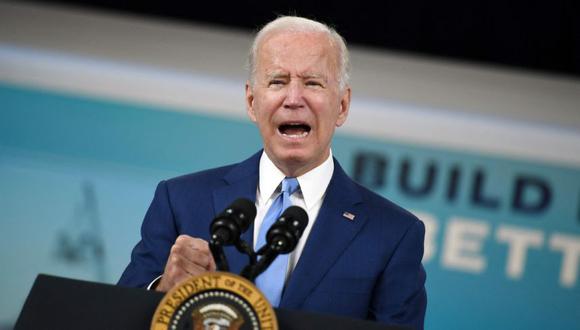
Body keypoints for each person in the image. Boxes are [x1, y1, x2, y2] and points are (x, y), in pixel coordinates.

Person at [118, 16, 427, 329]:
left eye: (313, 83)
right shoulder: (180, 200)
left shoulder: (394, 234)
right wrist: (161, 291)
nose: (293, 99)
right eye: (278, 81)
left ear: (343, 106)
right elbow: (118, 316)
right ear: (252, 102)